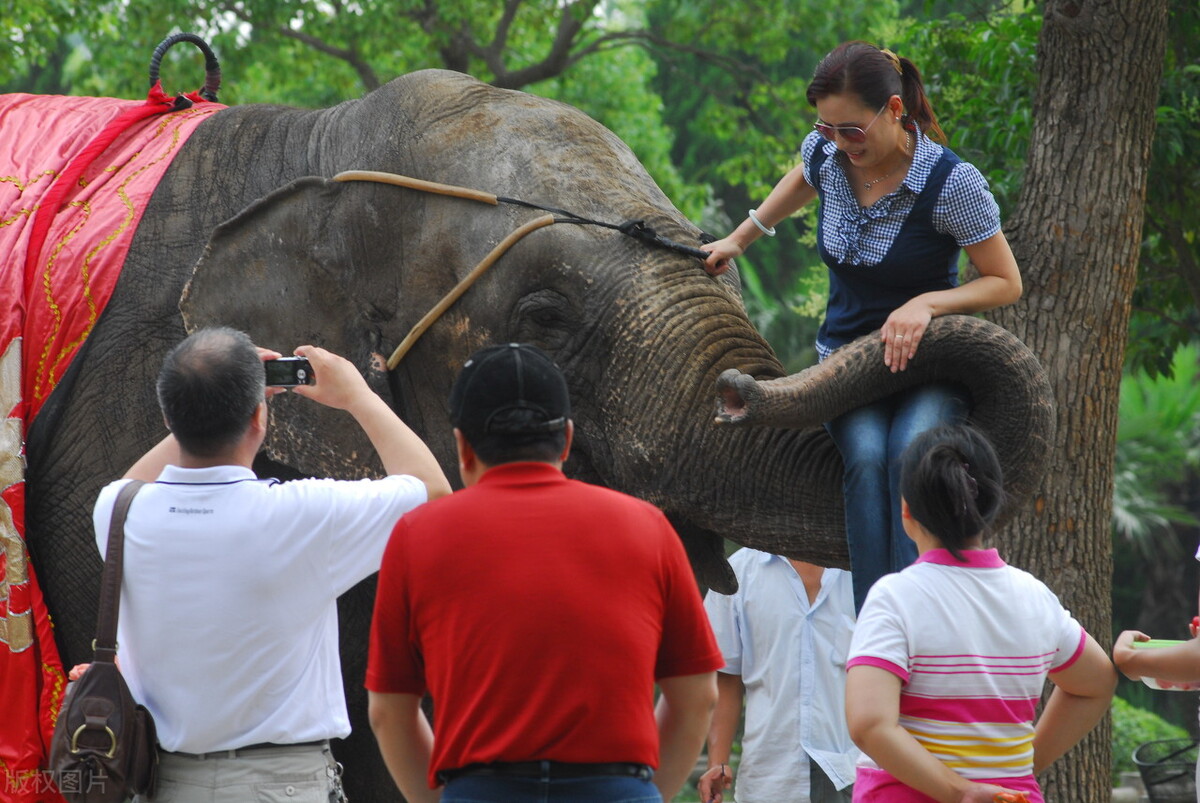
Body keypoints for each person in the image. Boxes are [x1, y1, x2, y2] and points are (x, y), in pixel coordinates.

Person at [700, 41, 1023, 611]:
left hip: (927, 361)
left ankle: (918, 613)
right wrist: (740, 237)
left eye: (850, 130)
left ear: (894, 111)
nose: (837, 143)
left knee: (908, 454)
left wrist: (927, 303)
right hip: (845, 362)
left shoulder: (952, 184)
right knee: (868, 455)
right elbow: (803, 174)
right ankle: (880, 621)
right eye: (826, 129)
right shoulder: (829, 154)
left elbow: (1004, 281)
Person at [89, 327, 451, 802]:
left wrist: (200, 405)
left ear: (167, 418)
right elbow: (432, 493)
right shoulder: (300, 516)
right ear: (260, 417)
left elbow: (131, 485)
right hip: (280, 787)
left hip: (160, 785)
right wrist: (359, 397)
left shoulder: (119, 514)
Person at [365, 342, 723, 803]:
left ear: (462, 446)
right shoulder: (647, 527)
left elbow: (388, 713)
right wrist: (645, 793)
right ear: (567, 439)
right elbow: (698, 696)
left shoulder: (416, 533)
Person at [844, 423, 1116, 803]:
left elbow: (869, 724)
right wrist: (1019, 768)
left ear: (905, 509)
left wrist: (962, 792)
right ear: (990, 506)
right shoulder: (1035, 597)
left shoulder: (895, 597)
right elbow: (1097, 683)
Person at [698, 550, 858, 803]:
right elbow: (725, 676)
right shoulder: (737, 573)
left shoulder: (864, 568)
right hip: (769, 774)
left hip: (850, 770)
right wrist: (718, 762)